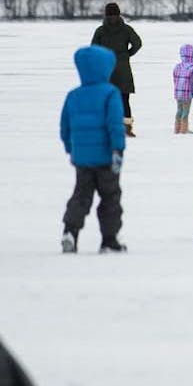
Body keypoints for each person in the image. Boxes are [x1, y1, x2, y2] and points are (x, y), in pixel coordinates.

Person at [59, 44, 127, 254]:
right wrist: (118, 149)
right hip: (106, 157)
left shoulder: (73, 95)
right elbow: (115, 125)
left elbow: (65, 127)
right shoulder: (110, 93)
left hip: (82, 158)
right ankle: (109, 240)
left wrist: (71, 149)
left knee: (81, 195)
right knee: (110, 197)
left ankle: (70, 231)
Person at [91, 2, 142, 138]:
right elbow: (137, 43)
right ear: (119, 14)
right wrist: (127, 54)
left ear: (105, 14)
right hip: (123, 68)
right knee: (124, 100)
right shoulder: (126, 29)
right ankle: (127, 128)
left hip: (106, 69)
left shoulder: (101, 30)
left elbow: (93, 49)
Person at [172, 43, 193, 134]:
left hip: (178, 93)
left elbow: (175, 79)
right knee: (185, 111)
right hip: (187, 93)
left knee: (179, 110)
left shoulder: (178, 66)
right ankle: (184, 129)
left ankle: (177, 128)